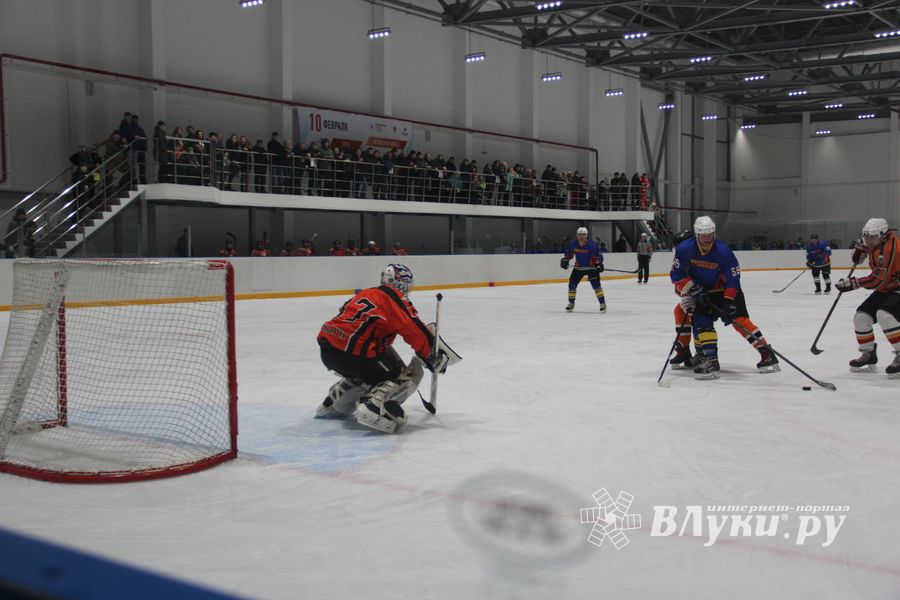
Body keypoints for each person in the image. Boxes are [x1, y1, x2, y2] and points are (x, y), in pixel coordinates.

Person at [314, 264, 460, 433]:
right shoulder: (394, 297)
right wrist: (430, 354)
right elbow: (413, 329)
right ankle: (376, 406)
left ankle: (335, 404)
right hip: (354, 354)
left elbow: (344, 314)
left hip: (328, 349)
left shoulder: (367, 293)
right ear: (400, 284)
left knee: (378, 360)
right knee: (405, 374)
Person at [671, 216, 779, 379]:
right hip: (703, 292)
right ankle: (709, 359)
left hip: (725, 290)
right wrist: (691, 290)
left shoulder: (723, 252)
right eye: (703, 235)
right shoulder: (685, 249)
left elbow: (733, 279)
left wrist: (729, 302)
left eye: (709, 235)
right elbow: (676, 275)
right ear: (697, 234)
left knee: (739, 320)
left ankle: (767, 354)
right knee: (701, 321)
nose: (707, 239)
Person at [835, 218, 900, 377]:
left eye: (872, 237)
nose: (868, 240)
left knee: (884, 315)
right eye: (867, 236)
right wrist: (859, 252)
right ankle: (868, 354)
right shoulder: (874, 242)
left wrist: (853, 283)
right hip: (887, 287)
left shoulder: (891, 249)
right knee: (861, 317)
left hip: (896, 287)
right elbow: (858, 260)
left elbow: (878, 280)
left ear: (883, 235)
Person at [560, 226, 606, 313]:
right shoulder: (573, 244)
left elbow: (598, 256)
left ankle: (602, 304)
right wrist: (565, 260)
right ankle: (571, 303)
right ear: (577, 236)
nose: (581, 236)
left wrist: (599, 263)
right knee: (572, 285)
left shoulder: (592, 245)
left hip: (591, 268)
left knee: (596, 286)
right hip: (579, 267)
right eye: (579, 234)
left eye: (583, 234)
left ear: (586, 236)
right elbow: (569, 254)